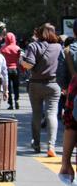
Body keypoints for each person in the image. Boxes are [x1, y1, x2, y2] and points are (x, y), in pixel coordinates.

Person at [21, 23, 61, 157]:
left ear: (39, 33)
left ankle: (37, 143)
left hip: (35, 84)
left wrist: (21, 60)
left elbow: (28, 65)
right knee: (52, 114)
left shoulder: (33, 46)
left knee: (37, 114)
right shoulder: (59, 47)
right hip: (53, 85)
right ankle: (51, 145)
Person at [57, 19, 77, 182]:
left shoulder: (68, 51)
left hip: (75, 93)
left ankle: (65, 165)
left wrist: (66, 88)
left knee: (71, 125)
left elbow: (61, 77)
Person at [0, 32, 22, 110]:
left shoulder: (3, 49)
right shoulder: (17, 48)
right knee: (16, 86)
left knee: (8, 87)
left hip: (6, 70)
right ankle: (17, 100)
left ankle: (10, 104)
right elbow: (20, 59)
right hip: (15, 69)